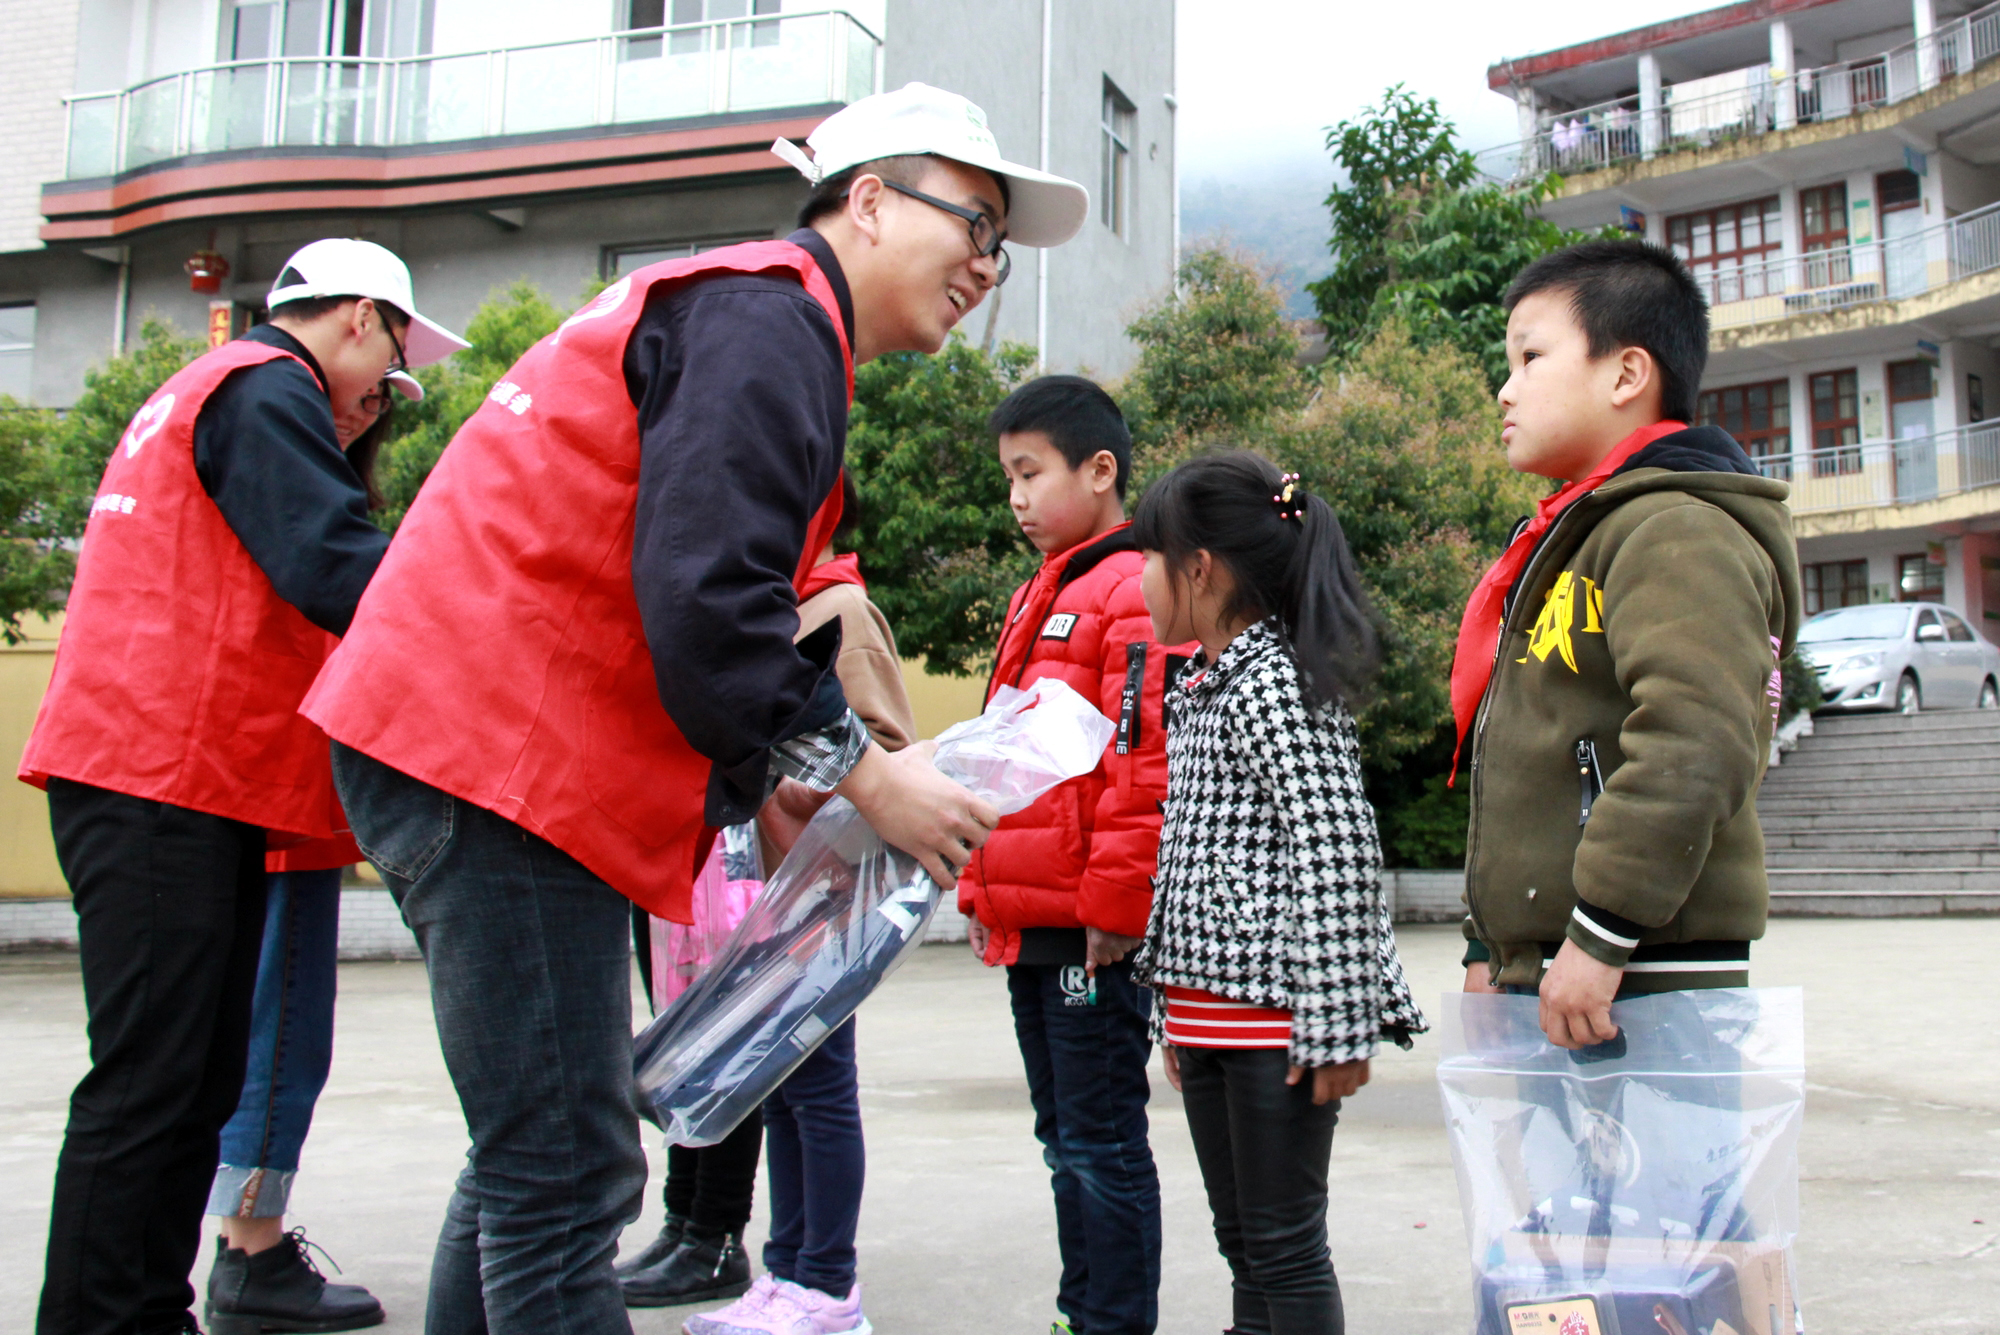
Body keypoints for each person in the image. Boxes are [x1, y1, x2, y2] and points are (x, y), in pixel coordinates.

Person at [298, 82, 1087, 1334]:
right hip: (495, 759)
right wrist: (861, 775)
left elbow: (676, 595)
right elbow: (710, 597)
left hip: (470, 746)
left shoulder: (749, 314)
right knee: (566, 1178)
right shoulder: (768, 319)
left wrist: (764, 773)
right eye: (976, 224)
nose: (987, 266)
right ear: (869, 202)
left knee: (530, 1165)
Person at [21, 239, 465, 1335]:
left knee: (192, 1079)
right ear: (360, 319)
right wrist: (492, 599)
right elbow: (336, 568)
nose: (377, 402)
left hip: (174, 775)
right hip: (157, 772)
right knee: (151, 1084)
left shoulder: (215, 393)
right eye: (389, 370)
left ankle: (142, 1305)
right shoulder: (266, 388)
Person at [1449, 240, 1800, 1042]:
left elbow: (1696, 740)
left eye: (1530, 357)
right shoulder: (1576, 534)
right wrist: (1493, 946)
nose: (1505, 390)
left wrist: (1603, 930)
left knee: (1654, 1173)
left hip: (1642, 966)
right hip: (1565, 960)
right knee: (1566, 1177)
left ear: (1626, 374)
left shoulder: (1678, 528)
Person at [1130, 451, 1425, 1335]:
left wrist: (1338, 1025)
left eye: (1150, 555)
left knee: (1286, 1245)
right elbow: (1188, 858)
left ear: (1199, 568)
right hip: (1211, 1017)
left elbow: (1336, 847)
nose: (1138, 576)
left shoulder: (1275, 682)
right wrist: (1171, 1016)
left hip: (1274, 1027)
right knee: (1245, 1243)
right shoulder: (1214, 682)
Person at [622, 476, 916, 1317]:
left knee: (820, 1092)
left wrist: (791, 786)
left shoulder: (841, 614)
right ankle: (788, 1272)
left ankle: (826, 1277)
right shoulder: (776, 615)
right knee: (781, 1088)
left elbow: (889, 752)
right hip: (764, 903)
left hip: (818, 907)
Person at [953, 375, 1186, 1335]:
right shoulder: (1045, 590)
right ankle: (1079, 1310)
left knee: (1099, 1139)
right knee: (1065, 1136)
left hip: (1090, 928)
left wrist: (1116, 909)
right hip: (1039, 917)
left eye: (1030, 471)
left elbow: (1143, 762)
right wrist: (984, 890)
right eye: (1007, 475)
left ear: (1101, 471)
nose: (1015, 496)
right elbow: (1004, 754)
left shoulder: (1129, 587)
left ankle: (1113, 1320)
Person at [202, 372, 420, 1335]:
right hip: (272, 798)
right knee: (281, 1030)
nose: (364, 412)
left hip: (271, 792)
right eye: (365, 388)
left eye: (381, 406)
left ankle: (242, 1238)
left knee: (253, 1032)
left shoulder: (281, 477)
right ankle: (250, 1248)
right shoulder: (280, 474)